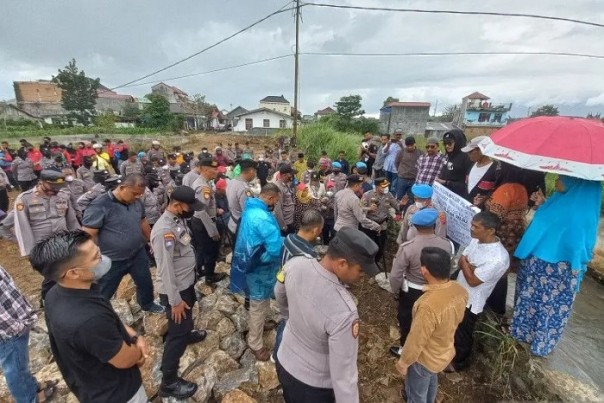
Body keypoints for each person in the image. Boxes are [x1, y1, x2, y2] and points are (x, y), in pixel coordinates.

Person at [29, 230, 149, 403]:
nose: (102, 259)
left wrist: (134, 335)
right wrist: (139, 351)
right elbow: (124, 360)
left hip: (90, 385)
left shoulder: (57, 293)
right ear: (73, 273)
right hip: (118, 394)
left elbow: (110, 319)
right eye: (95, 258)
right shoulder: (88, 320)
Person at [276, 227, 378, 402]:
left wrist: (289, 319)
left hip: (284, 359)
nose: (363, 277)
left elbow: (279, 292)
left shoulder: (295, 264)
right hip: (313, 385)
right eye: (361, 271)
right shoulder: (344, 312)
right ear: (342, 263)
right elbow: (344, 375)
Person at [510, 175, 601, 357]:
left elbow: (577, 244)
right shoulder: (561, 200)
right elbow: (549, 222)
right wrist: (543, 203)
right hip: (537, 263)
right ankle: (522, 331)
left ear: (575, 182)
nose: (557, 180)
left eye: (562, 178)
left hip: (559, 269)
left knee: (550, 306)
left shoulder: (579, 213)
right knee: (529, 297)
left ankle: (540, 342)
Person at [151, 187, 208, 399]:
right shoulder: (163, 230)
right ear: (176, 205)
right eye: (189, 207)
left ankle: (187, 333)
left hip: (185, 284)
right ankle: (169, 381)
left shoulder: (177, 220)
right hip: (175, 291)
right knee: (177, 334)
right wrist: (175, 302)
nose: (191, 211)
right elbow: (165, 269)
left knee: (188, 315)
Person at [81, 173, 164, 313]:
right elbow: (87, 235)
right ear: (122, 187)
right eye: (135, 193)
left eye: (140, 194)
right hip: (112, 259)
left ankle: (147, 304)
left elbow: (142, 221)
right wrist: (88, 259)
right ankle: (98, 314)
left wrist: (151, 240)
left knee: (145, 282)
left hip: (137, 253)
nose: (138, 197)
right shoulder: (99, 206)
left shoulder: (136, 202)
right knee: (104, 290)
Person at [395, 247, 468, 403]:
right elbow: (459, 319)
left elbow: (416, 340)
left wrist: (404, 362)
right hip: (444, 351)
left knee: (416, 394)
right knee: (432, 379)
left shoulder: (427, 305)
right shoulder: (460, 290)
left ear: (424, 270)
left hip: (424, 359)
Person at [389, 208, 454, 357]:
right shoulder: (446, 245)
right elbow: (449, 267)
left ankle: (405, 350)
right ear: (434, 224)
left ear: (415, 226)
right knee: (431, 320)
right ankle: (427, 349)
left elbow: (396, 275)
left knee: (407, 320)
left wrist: (395, 290)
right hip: (437, 290)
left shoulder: (408, 247)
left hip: (412, 291)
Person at [230, 184, 283, 361]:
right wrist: (269, 257)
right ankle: (255, 343)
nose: (276, 203)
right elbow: (275, 248)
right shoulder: (262, 217)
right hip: (261, 268)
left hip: (250, 260)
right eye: (276, 200)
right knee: (258, 305)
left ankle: (260, 326)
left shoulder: (250, 208)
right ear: (270, 198)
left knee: (262, 300)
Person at [451, 211, 509, 371]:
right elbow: (464, 256)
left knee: (463, 332)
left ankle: (458, 364)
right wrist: (469, 266)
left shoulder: (498, 258)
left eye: (476, 227)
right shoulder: (476, 240)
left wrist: (466, 265)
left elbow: (473, 281)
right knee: (453, 326)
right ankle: (449, 353)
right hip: (459, 288)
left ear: (491, 230)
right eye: (472, 225)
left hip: (471, 299)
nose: (471, 229)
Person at [0, 264, 57, 403]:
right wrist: (15, 327)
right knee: (15, 367)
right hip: (9, 331)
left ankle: (31, 386)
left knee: (21, 363)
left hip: (15, 322)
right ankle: (29, 398)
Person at [273, 209, 323, 362]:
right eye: (320, 230)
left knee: (286, 318)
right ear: (315, 230)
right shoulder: (308, 256)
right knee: (289, 322)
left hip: (283, 282)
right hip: (294, 292)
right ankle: (279, 353)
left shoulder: (289, 238)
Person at [483, 162, 529, 316]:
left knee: (494, 268)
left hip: (502, 233)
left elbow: (495, 216)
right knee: (504, 269)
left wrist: (485, 204)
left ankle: (493, 305)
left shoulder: (506, 189)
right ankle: (498, 308)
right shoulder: (522, 188)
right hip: (515, 233)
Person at [191, 158, 226, 284]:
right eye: (214, 169)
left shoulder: (205, 182)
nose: (217, 171)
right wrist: (212, 230)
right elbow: (201, 211)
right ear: (205, 169)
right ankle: (210, 276)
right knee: (210, 249)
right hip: (204, 222)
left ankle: (200, 270)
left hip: (203, 220)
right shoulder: (203, 187)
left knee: (202, 248)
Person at [360, 177, 400, 266]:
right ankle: (367, 263)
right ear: (377, 187)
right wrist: (369, 208)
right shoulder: (367, 195)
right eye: (383, 187)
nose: (386, 188)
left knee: (380, 246)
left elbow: (397, 205)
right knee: (368, 246)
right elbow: (360, 208)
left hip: (382, 225)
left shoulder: (388, 195)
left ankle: (376, 262)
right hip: (369, 225)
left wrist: (402, 205)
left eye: (386, 186)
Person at [462, 136, 497, 209]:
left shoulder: (495, 169)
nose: (468, 155)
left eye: (470, 152)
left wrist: (485, 199)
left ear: (481, 150)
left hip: (481, 212)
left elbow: (495, 193)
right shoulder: (471, 165)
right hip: (466, 208)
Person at [436, 130, 473, 198]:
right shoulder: (448, 155)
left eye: (449, 143)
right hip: (444, 194)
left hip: (456, 197)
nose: (447, 146)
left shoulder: (467, 158)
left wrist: (446, 182)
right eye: (445, 143)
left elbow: (467, 185)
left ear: (458, 142)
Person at [226, 159, 258, 238]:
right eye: (255, 172)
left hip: (232, 222)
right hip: (241, 228)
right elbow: (248, 212)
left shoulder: (231, 181)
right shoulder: (244, 188)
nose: (255, 175)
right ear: (251, 171)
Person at [395, 136, 423, 201]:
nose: (410, 147)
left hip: (414, 179)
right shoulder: (401, 152)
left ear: (415, 144)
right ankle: (399, 209)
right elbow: (396, 162)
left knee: (411, 198)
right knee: (399, 196)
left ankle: (408, 210)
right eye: (408, 146)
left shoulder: (420, 153)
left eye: (411, 145)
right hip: (402, 179)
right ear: (405, 145)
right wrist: (400, 171)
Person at [274, 166, 297, 235]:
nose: (292, 176)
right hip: (285, 223)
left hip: (290, 220)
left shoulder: (287, 184)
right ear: (284, 175)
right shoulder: (278, 187)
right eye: (290, 174)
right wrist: (283, 226)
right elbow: (277, 209)